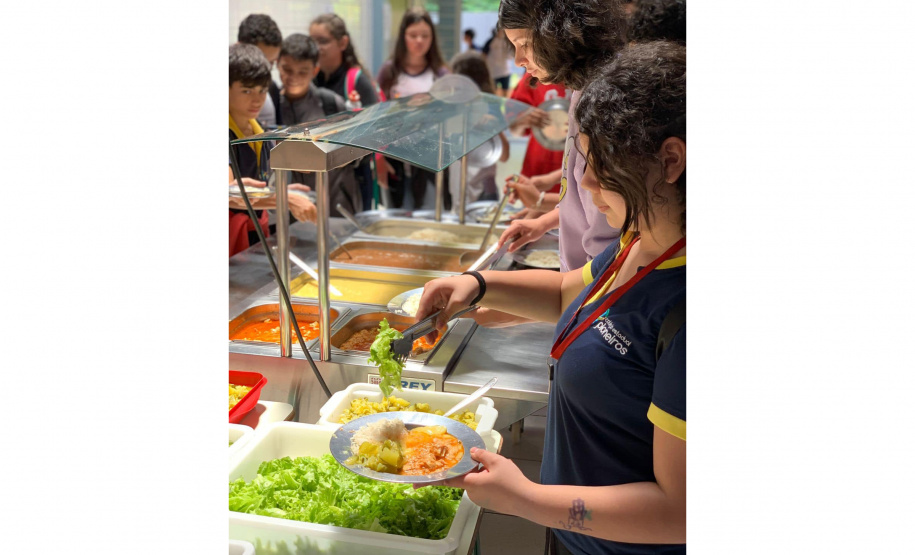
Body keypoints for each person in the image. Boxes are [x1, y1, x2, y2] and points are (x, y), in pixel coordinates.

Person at [416, 40, 687, 555]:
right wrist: (475, 286)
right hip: (572, 534)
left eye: (604, 163)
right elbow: (569, 290)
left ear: (670, 160)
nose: (585, 182)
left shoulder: (685, 310)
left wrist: (528, 499)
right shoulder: (639, 241)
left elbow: (681, 511)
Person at [496, 0, 627, 272]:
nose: (519, 60)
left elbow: (607, 226)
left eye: (524, 44)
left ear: (555, 32)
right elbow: (583, 199)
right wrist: (543, 221)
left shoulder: (603, 99)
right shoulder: (581, 89)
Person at [228, 43, 316, 257]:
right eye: (246, 90)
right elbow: (229, 193)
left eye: (262, 90)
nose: (257, 99)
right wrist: (285, 199)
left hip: (254, 238)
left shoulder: (260, 132)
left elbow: (255, 187)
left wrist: (281, 192)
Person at [276, 33, 362, 217]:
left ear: (315, 71)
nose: (294, 77)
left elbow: (356, 152)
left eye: (302, 71)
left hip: (336, 206)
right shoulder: (270, 105)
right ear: (277, 64)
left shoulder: (331, 103)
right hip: (290, 211)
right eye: (287, 69)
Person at [376, 7, 450, 209]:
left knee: (429, 214)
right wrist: (379, 158)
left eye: (425, 35)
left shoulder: (440, 74)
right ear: (403, 36)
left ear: (432, 38)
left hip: (430, 156)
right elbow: (376, 117)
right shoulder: (389, 71)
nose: (419, 41)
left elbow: (450, 118)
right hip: (395, 155)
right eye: (413, 35)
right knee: (397, 214)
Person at [310, 13, 383, 211]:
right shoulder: (310, 81)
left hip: (353, 177)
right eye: (312, 41)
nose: (316, 47)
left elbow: (375, 133)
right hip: (317, 173)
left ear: (343, 43)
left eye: (323, 41)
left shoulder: (357, 81)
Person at [501, 71, 570, 218]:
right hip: (538, 169)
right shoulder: (534, 73)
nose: (519, 62)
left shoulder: (594, 74)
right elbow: (514, 129)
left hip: (578, 174)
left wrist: (542, 198)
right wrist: (522, 121)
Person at [446, 51, 510, 208]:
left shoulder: (489, 107)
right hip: (460, 184)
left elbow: (504, 155)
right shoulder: (453, 108)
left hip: (483, 187)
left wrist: (490, 126)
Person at [237, 14, 283, 128]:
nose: (265, 71)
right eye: (259, 62)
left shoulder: (272, 87)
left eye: (271, 63)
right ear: (239, 47)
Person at [482, 28, 514, 97]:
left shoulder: (507, 42)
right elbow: (483, 55)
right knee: (493, 91)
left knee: (505, 90)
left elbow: (511, 55)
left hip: (505, 71)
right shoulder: (491, 41)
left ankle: (505, 103)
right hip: (493, 71)